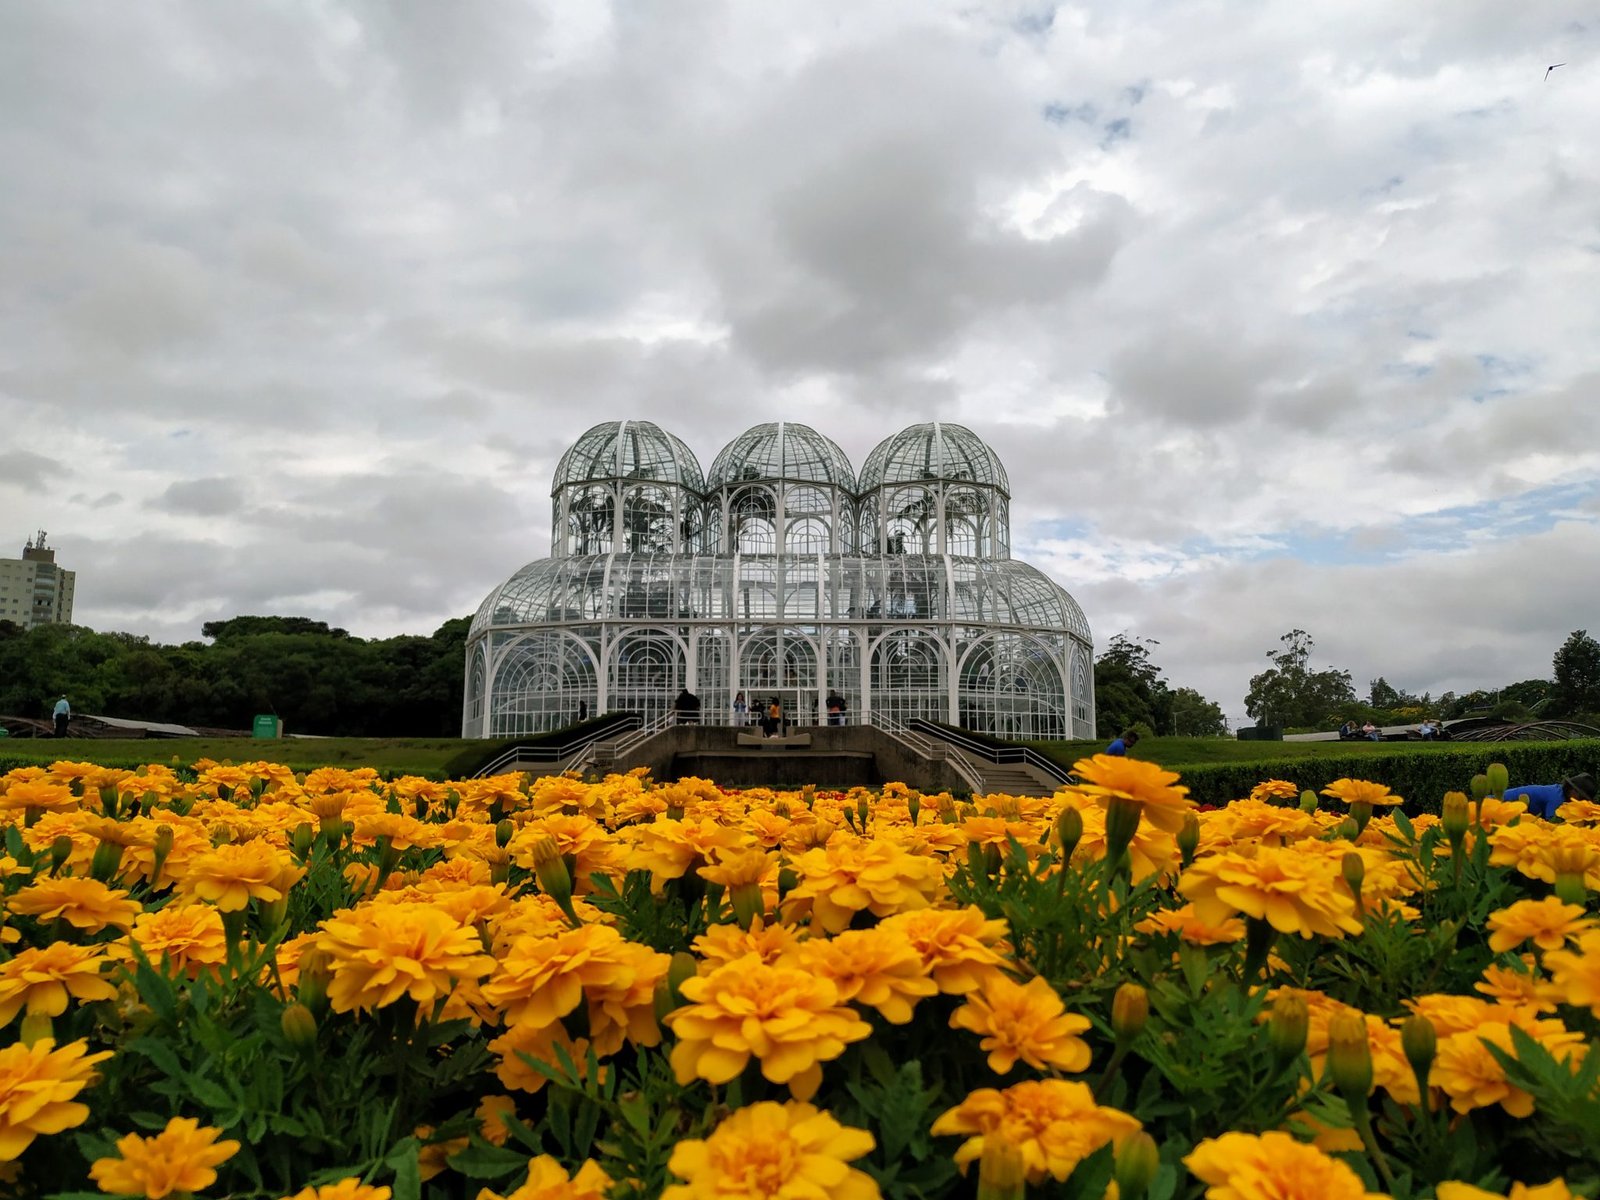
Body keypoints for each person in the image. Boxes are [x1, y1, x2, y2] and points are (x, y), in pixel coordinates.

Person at [1503, 773, 1595, 821]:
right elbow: (1552, 824)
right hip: (1501, 804)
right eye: (1582, 798)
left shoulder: (1557, 790)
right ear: (1573, 791)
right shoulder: (1556, 798)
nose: (1582, 802)